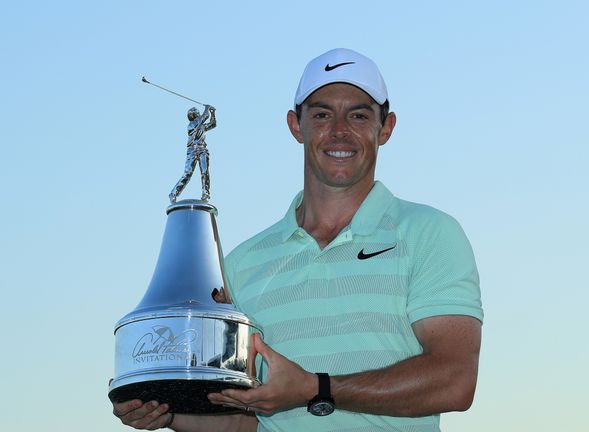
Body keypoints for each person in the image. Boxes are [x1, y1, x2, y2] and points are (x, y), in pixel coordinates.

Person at [112, 48, 483, 431]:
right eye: (322, 115)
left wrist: (317, 389)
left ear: (385, 128)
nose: (340, 131)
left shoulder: (429, 233)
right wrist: (168, 410)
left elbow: (454, 380)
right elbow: (247, 420)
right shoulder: (241, 264)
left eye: (358, 114)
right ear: (296, 125)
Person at [169, 104, 216, 203]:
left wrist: (213, 113)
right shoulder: (192, 125)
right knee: (187, 174)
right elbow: (204, 117)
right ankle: (173, 193)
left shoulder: (201, 125)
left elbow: (213, 124)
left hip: (202, 149)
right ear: (194, 115)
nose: (199, 114)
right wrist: (207, 108)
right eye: (197, 113)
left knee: (205, 171)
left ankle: (205, 193)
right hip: (192, 151)